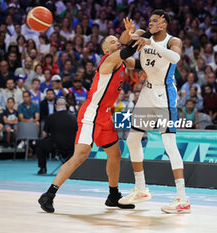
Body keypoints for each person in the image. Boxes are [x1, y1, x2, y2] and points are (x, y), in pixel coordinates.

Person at [38, 17, 164, 213]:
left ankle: (113, 195)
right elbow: (130, 48)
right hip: (91, 114)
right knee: (79, 156)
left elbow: (137, 59)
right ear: (106, 50)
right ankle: (49, 194)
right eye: (111, 42)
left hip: (105, 115)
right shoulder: (109, 60)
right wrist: (150, 32)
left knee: (115, 154)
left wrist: (156, 54)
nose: (116, 43)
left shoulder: (123, 61)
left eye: (116, 40)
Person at [118, 10, 191, 213]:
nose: (150, 24)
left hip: (163, 95)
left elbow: (175, 58)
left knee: (169, 144)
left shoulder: (172, 40)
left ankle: (183, 199)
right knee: (132, 140)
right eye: (149, 20)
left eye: (154, 21)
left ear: (164, 24)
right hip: (147, 92)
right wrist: (129, 32)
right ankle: (141, 188)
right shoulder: (144, 34)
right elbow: (125, 41)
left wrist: (151, 44)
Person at [36, 97, 77, 175]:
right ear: (66, 105)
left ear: (55, 106)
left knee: (39, 143)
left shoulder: (51, 117)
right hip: (72, 147)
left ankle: (43, 168)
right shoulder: (74, 117)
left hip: (56, 147)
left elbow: (44, 134)